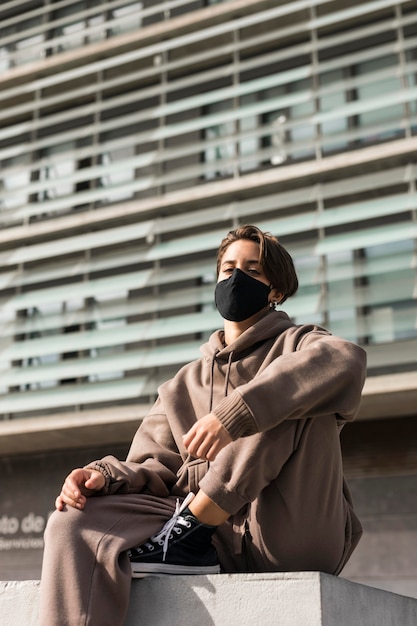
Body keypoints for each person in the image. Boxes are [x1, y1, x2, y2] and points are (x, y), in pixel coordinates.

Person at [39, 224, 367, 626]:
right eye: (227, 269)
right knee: (73, 521)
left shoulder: (302, 343)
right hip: (202, 548)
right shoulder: (182, 385)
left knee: (296, 397)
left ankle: (193, 526)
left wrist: (234, 415)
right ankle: (184, 537)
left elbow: (346, 359)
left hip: (289, 534)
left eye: (252, 270)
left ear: (276, 290)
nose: (236, 278)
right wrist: (100, 475)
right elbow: (153, 467)